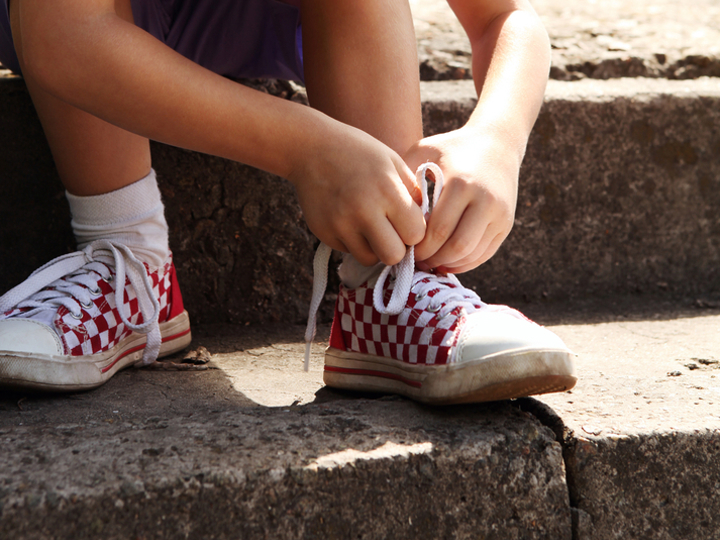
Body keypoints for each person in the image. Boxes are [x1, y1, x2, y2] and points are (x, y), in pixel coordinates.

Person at [0, 0, 576, 402]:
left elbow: (505, 16)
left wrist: (497, 139)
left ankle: (386, 277)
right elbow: (62, 34)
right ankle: (129, 256)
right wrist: (307, 147)